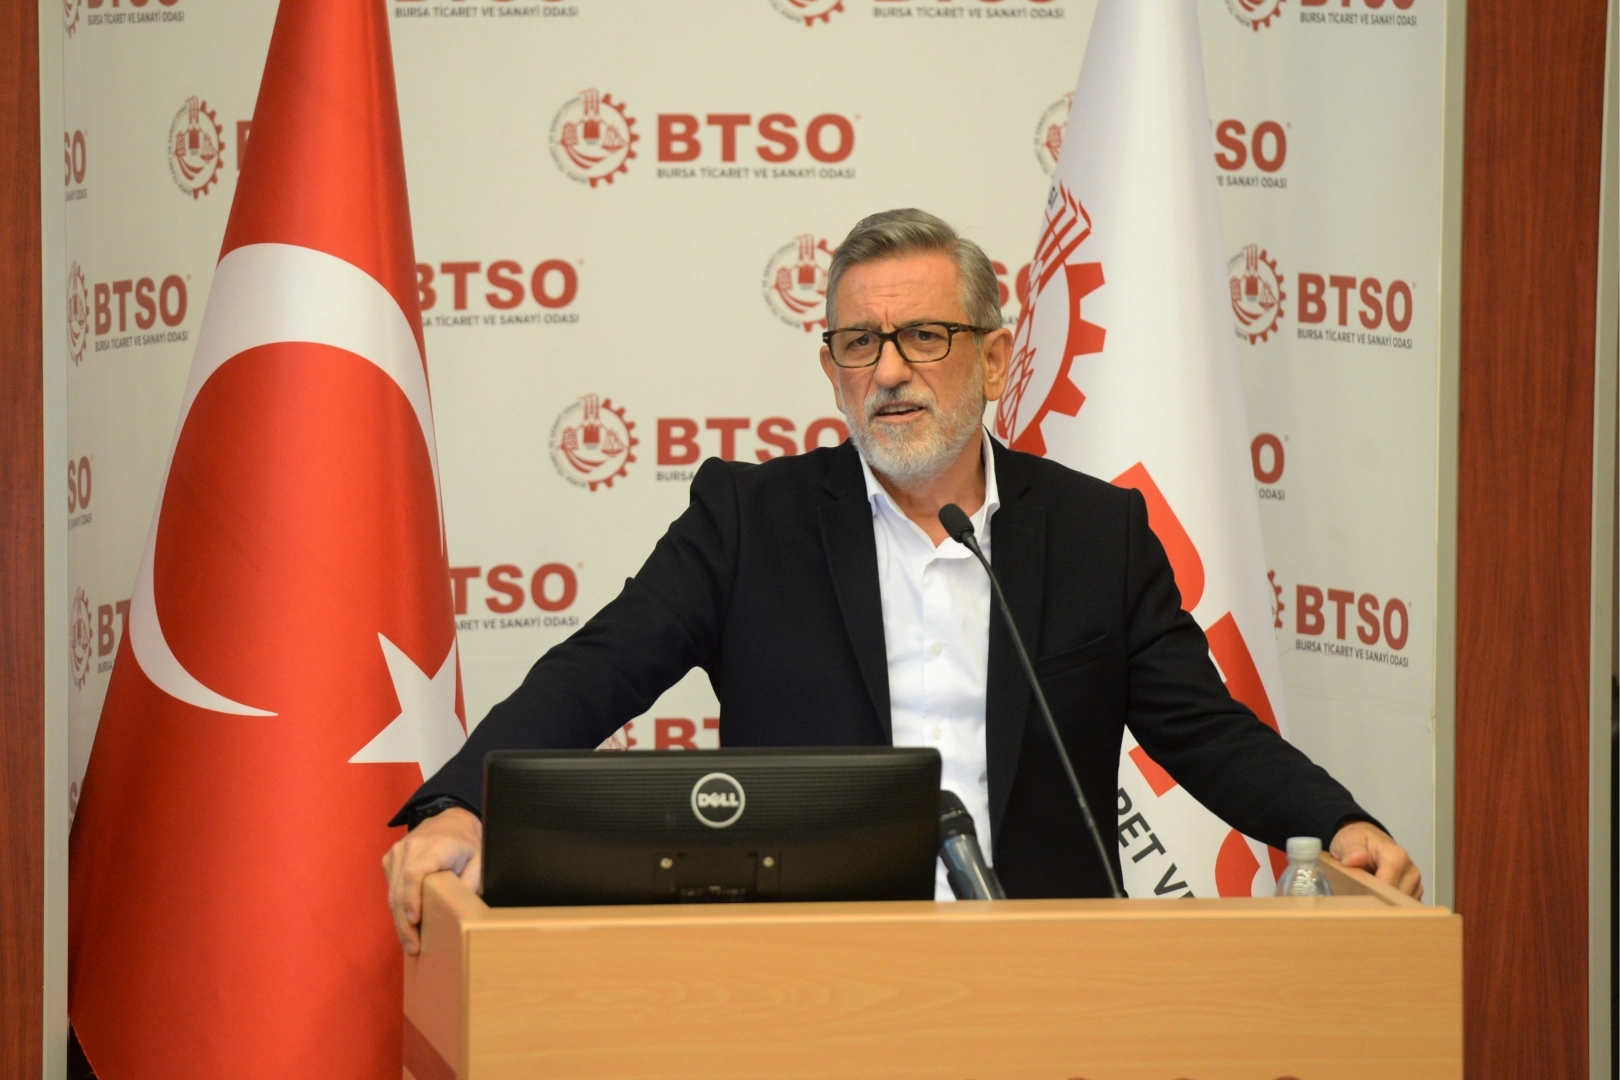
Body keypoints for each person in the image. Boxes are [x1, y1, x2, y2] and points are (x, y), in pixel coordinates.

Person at [384, 209, 1421, 954]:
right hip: (812, 977)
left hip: (1046, 974)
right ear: (831, 368)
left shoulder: (1094, 534)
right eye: (858, 343)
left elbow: (1206, 729)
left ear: (996, 359)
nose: (888, 371)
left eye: (925, 337)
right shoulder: (749, 523)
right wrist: (465, 806)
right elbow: (597, 670)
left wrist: (1339, 825)